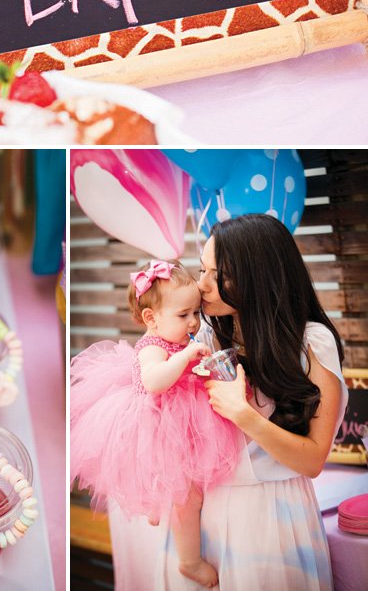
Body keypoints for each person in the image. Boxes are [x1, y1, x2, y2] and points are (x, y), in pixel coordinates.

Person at [151, 213, 348, 591]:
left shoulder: (311, 342)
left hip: (272, 515)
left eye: (218, 275)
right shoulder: (204, 336)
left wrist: (244, 415)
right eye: (202, 270)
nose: (202, 285)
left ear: (258, 277)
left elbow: (312, 460)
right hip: (205, 511)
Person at [71, 260, 241, 588]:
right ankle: (190, 562)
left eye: (195, 312)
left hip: (182, 419)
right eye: (183, 315)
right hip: (158, 426)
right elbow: (154, 381)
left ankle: (158, 502)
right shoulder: (152, 347)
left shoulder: (176, 337)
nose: (193, 321)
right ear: (151, 318)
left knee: (188, 482)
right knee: (186, 497)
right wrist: (184, 357)